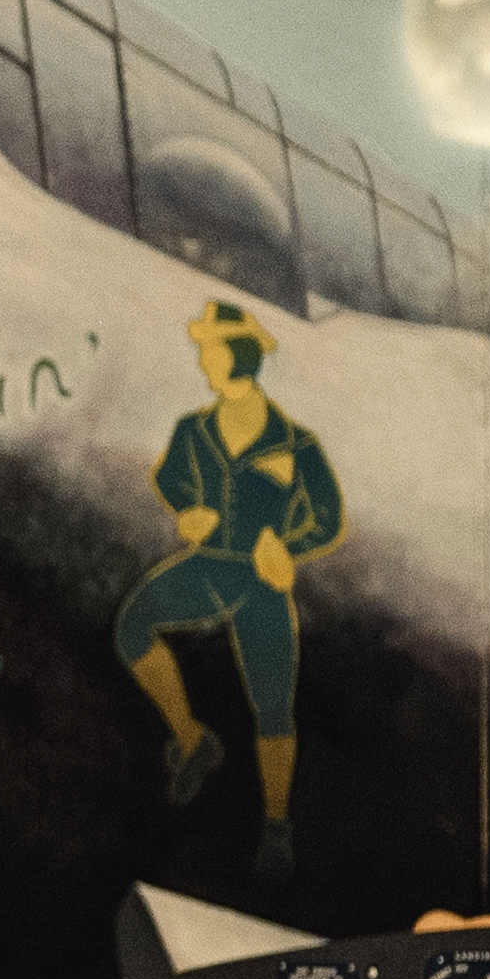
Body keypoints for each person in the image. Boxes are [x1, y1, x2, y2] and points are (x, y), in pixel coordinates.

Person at [111, 295, 345, 884]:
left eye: (208, 352)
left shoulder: (297, 444)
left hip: (264, 586)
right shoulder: (193, 430)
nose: (201, 363)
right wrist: (188, 510)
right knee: (133, 624)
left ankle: (275, 827)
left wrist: (287, 548)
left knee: (272, 709)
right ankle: (192, 740)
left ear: (235, 358)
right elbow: (167, 476)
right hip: (210, 568)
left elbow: (329, 516)